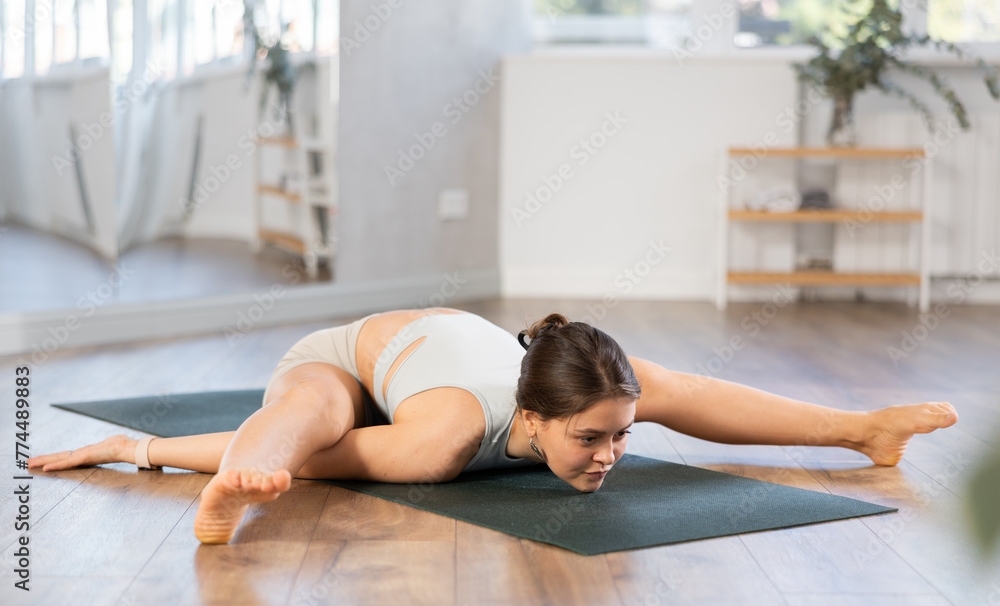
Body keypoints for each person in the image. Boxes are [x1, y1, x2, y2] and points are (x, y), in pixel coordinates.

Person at [27, 308, 958, 544]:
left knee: (671, 382)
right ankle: (235, 493)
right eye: (591, 439)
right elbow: (322, 449)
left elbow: (708, 396)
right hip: (349, 359)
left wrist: (859, 426)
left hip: (451, 352)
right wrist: (132, 449)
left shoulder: (593, 389)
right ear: (528, 418)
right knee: (307, 423)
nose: (611, 454)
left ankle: (863, 432)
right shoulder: (445, 440)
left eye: (618, 436)